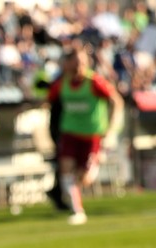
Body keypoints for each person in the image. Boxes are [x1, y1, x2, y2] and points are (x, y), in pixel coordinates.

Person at [46, 45, 122, 225]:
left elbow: (116, 102)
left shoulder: (94, 82)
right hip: (70, 133)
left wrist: (111, 130)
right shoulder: (62, 83)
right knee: (65, 169)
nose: (79, 66)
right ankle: (77, 210)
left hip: (92, 135)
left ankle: (94, 163)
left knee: (85, 178)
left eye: (82, 62)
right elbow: (48, 99)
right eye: (75, 62)